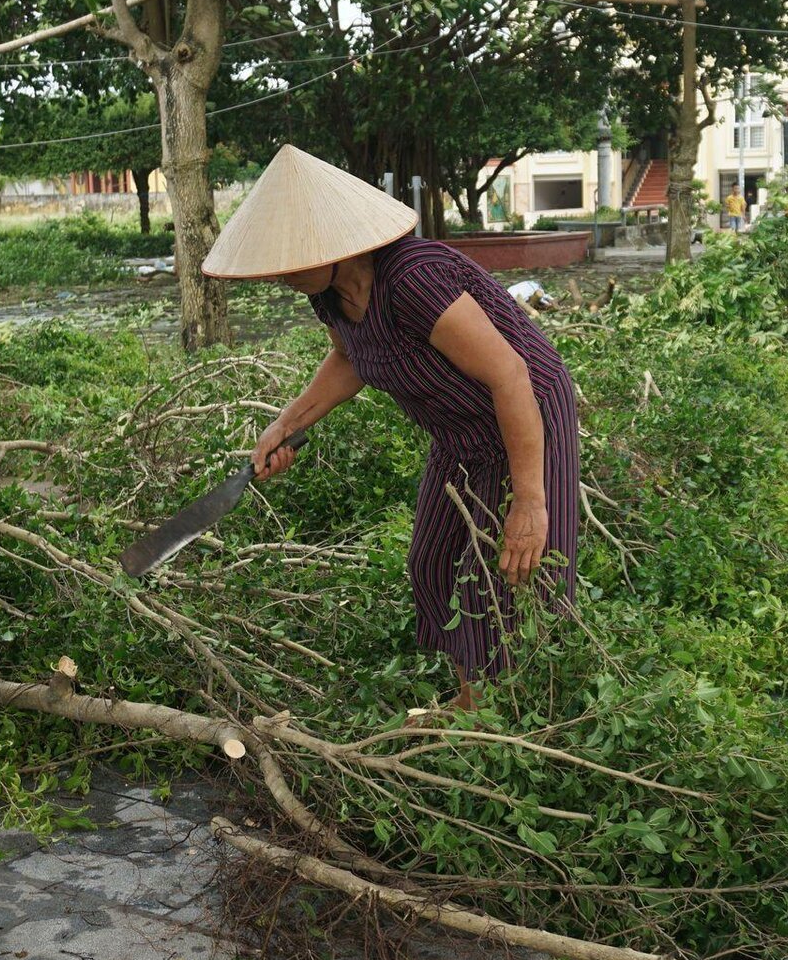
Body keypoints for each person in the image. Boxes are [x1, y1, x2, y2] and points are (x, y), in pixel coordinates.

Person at [201, 145, 579, 710]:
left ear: (333, 244)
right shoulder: (327, 295)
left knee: (508, 570)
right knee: (430, 563)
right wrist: (286, 424)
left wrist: (530, 499)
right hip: (457, 432)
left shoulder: (414, 280)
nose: (280, 273)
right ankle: (473, 697)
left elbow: (510, 374)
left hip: (524, 413)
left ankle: (518, 710)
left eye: (291, 257)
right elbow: (350, 359)